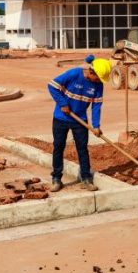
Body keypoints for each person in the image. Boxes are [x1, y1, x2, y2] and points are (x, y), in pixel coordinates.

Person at [47, 55, 111, 192]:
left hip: (80, 120)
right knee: (58, 147)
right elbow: (52, 85)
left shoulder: (98, 85)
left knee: (82, 149)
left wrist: (96, 126)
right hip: (61, 118)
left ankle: (86, 178)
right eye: (98, 78)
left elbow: (96, 106)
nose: (99, 81)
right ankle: (56, 178)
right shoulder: (74, 74)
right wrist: (63, 104)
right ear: (91, 72)